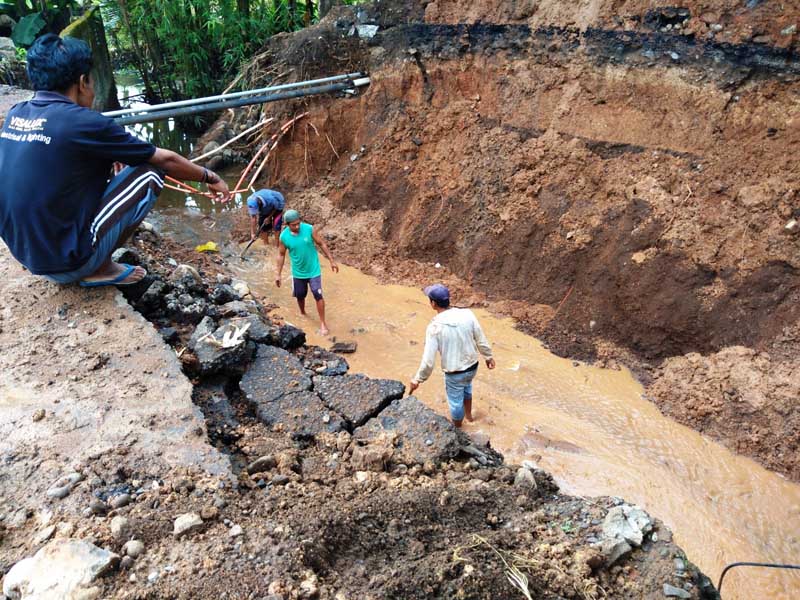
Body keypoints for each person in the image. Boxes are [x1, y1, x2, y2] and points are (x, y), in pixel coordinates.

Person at [0, 34, 229, 288]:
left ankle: (81, 257)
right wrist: (211, 177)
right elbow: (165, 159)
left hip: (28, 256)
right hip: (67, 264)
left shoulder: (17, 113)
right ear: (82, 81)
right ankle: (99, 267)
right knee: (150, 172)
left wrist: (109, 158)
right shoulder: (83, 122)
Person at [409, 284, 496, 427]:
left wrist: (418, 379)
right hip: (472, 367)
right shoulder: (467, 314)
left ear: (433, 304)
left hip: (455, 373)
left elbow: (428, 361)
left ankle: (458, 429)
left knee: (455, 403)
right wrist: (488, 356)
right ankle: (469, 417)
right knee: (467, 389)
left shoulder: (434, 327)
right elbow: (480, 337)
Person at [275, 209, 338, 336]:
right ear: (287, 224)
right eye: (293, 225)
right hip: (298, 272)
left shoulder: (309, 229)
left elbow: (322, 244)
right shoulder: (284, 237)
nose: (297, 226)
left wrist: (332, 260)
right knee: (300, 295)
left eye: (298, 223)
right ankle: (303, 313)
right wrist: (278, 274)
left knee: (317, 294)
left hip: (314, 270)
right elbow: (281, 255)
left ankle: (322, 323)